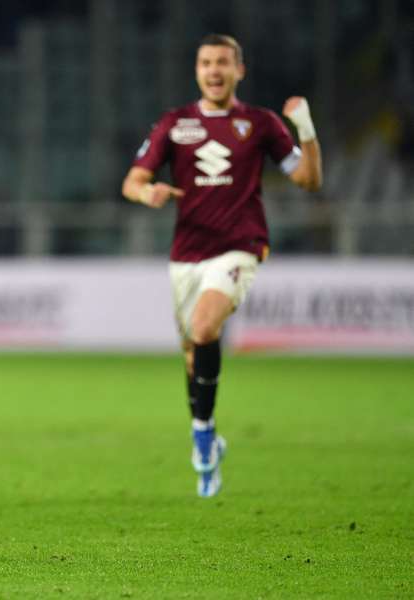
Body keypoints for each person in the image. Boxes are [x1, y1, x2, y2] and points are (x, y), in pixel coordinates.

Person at [121, 34, 322, 497]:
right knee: (194, 350)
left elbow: (309, 179)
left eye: (223, 63)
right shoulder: (175, 124)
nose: (214, 71)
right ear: (197, 71)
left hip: (240, 246)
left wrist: (305, 129)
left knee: (206, 327)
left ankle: (201, 437)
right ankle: (206, 433)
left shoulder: (261, 123)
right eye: (207, 63)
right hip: (186, 255)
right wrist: (146, 191)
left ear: (239, 71)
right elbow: (132, 181)